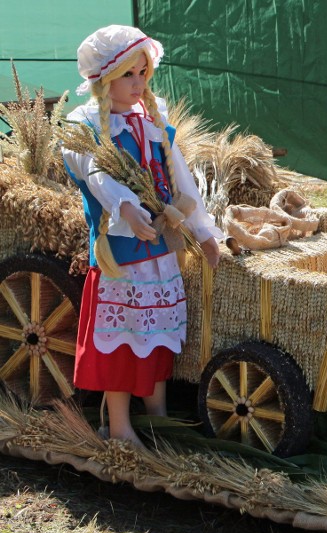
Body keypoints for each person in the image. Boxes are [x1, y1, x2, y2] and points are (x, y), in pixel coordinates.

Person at [62, 25, 223, 447]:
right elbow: (97, 173)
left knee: (157, 334)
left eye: (143, 74)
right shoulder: (87, 129)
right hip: (121, 255)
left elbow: (181, 180)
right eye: (129, 75)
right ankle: (118, 425)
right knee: (122, 338)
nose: (139, 84)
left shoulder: (151, 121)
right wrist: (126, 207)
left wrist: (203, 232)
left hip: (159, 252)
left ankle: (157, 412)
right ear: (103, 79)